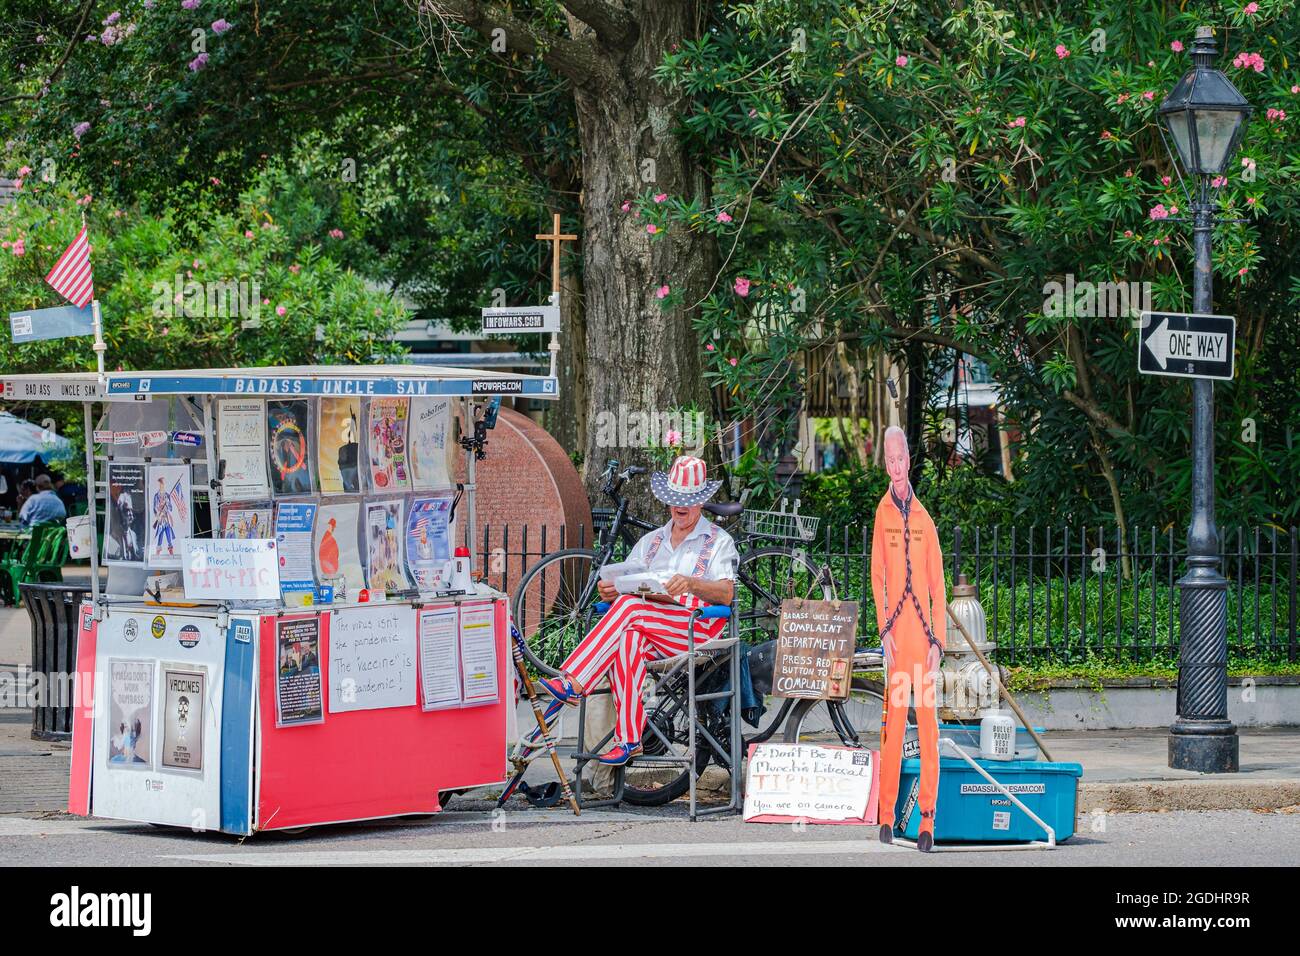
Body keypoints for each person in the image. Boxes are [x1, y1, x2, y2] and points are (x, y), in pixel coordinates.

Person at [538, 455, 738, 765]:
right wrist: (612, 588)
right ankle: (630, 739)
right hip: (650, 624)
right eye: (674, 498)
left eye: (687, 499)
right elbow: (629, 580)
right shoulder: (651, 541)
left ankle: (574, 680)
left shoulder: (718, 541)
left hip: (696, 629)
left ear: (701, 501)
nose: (679, 505)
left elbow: (726, 594)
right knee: (627, 638)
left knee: (631, 608)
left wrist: (691, 583)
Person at [871, 426, 946, 852]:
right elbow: (877, 574)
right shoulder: (883, 515)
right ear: (885, 463)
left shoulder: (924, 519)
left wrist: (938, 641)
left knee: (929, 730)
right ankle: (885, 816)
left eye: (901, 459)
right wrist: (883, 631)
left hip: (923, 642)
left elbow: (937, 585)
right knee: (893, 729)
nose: (896, 467)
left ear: (908, 461)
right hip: (898, 641)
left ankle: (927, 821)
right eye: (890, 460)